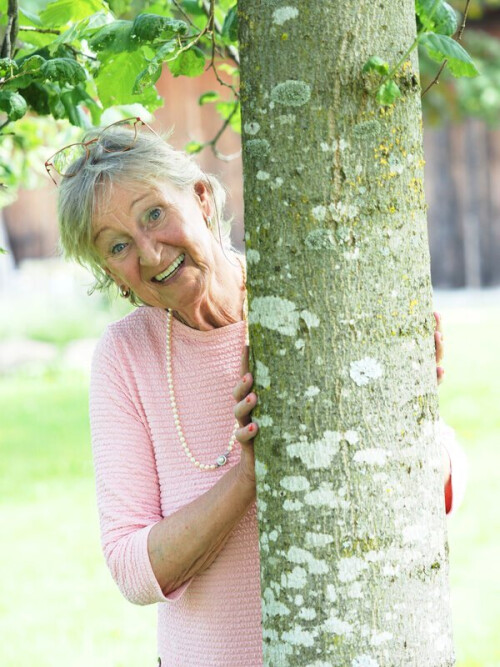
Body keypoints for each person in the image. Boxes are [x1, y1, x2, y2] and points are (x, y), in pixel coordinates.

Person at [52, 118, 466, 666]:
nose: (150, 254)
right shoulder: (125, 356)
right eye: (119, 246)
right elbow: (132, 568)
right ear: (112, 274)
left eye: (154, 214)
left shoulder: (302, 298)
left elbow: (441, 486)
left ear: (200, 198)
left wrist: (406, 409)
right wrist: (249, 475)